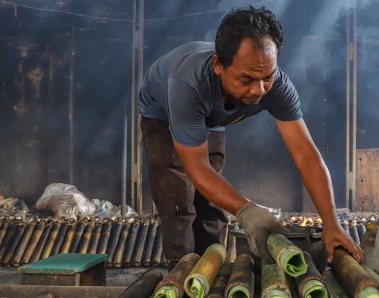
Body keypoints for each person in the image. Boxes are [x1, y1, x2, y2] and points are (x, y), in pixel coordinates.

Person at [138, 6, 363, 265]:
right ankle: (180, 273)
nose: (258, 90)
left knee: (211, 207)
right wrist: (248, 211)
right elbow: (197, 167)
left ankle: (211, 268)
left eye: (267, 77)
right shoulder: (188, 84)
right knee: (179, 203)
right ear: (218, 65)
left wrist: (331, 223)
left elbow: (307, 155)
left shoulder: (277, 86)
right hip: (164, 114)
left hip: (212, 115)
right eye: (246, 79)